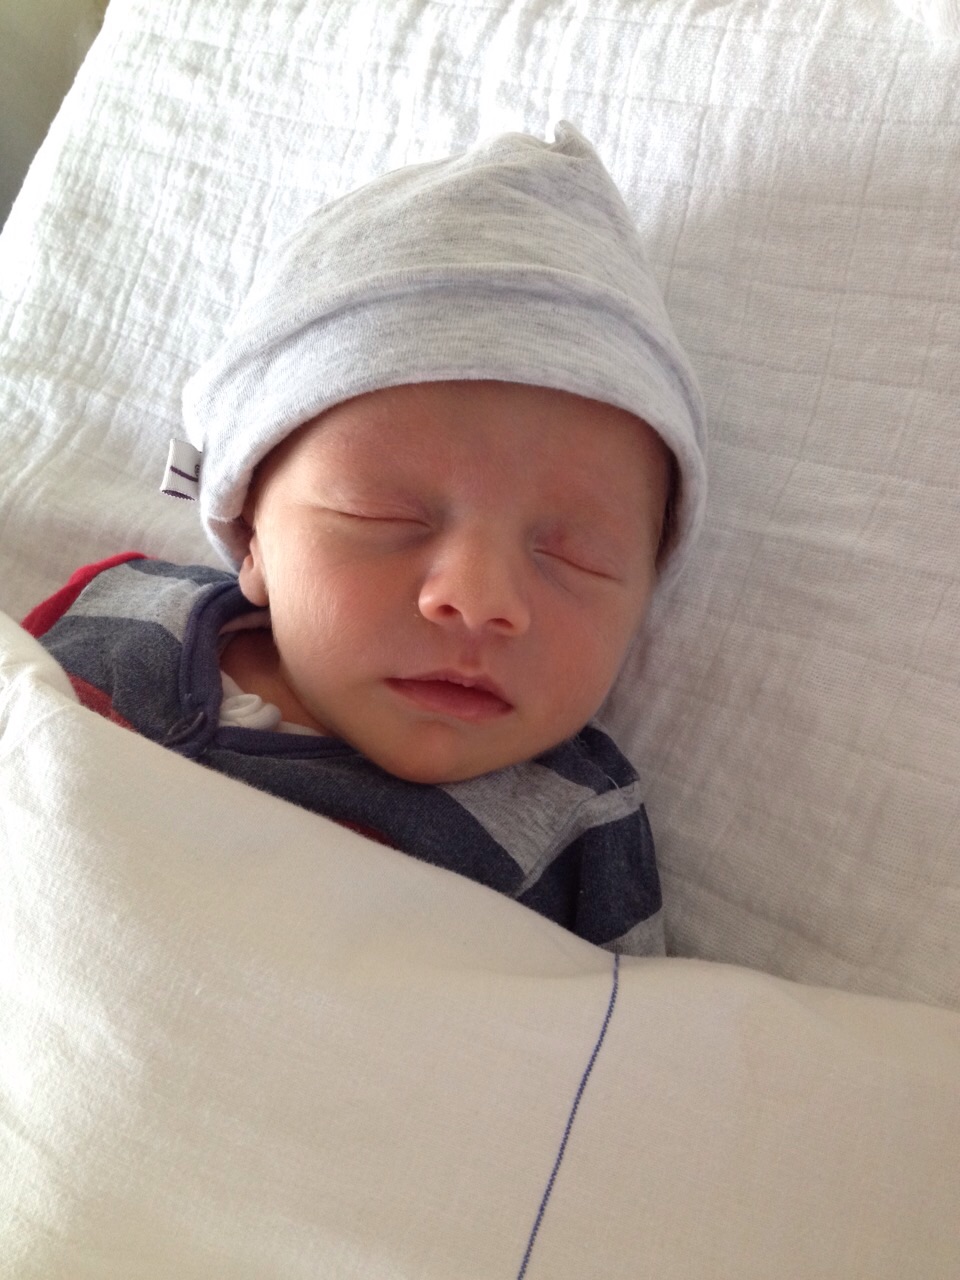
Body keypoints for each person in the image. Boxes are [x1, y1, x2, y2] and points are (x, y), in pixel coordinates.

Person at [23, 123, 706, 956]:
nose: (479, 599)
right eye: (388, 516)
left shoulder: (575, 829)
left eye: (577, 556)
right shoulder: (116, 619)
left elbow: (627, 1036)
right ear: (250, 531)